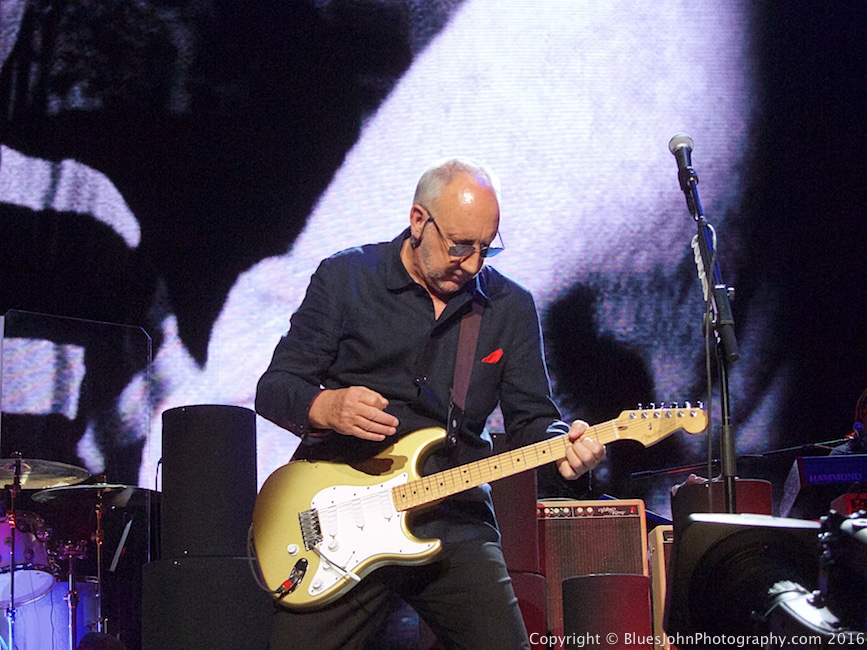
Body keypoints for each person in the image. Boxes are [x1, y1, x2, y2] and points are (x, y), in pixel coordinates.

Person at [255, 157, 606, 650]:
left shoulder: (509, 307)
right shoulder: (345, 277)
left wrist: (565, 448)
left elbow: (533, 420)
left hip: (453, 516)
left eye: (486, 248)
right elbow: (275, 388)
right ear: (419, 220)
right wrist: (326, 406)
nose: (474, 264)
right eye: (460, 246)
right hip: (342, 517)